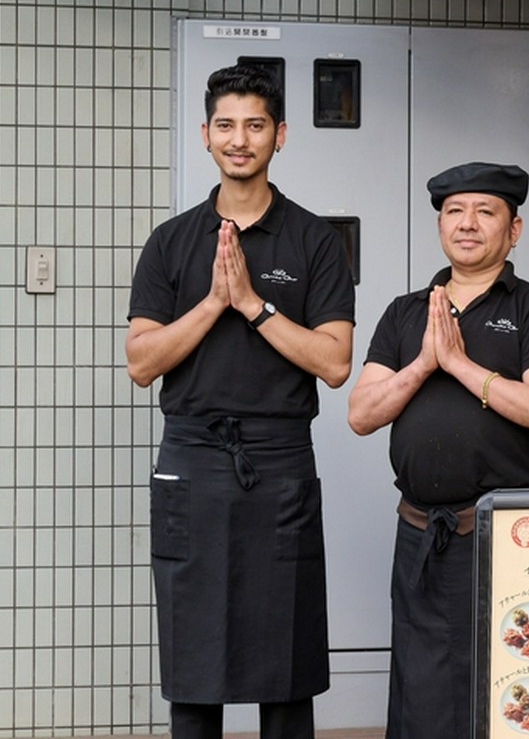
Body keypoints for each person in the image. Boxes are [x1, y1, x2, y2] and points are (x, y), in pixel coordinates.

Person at [125, 64, 355, 739]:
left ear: (279, 135)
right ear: (205, 134)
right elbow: (141, 363)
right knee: (194, 661)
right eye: (226, 124)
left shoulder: (314, 241)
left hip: (278, 463)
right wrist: (212, 303)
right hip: (192, 458)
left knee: (285, 661)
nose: (240, 138)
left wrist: (253, 305)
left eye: (255, 124)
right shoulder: (171, 242)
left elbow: (335, 361)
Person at [347, 162, 529, 739]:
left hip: (505, 536)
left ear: (514, 229)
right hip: (420, 530)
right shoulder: (405, 312)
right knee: (419, 683)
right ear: (441, 224)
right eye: (454, 212)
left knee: (507, 679)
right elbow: (361, 415)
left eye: (485, 211)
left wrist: (462, 365)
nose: (467, 224)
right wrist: (423, 362)